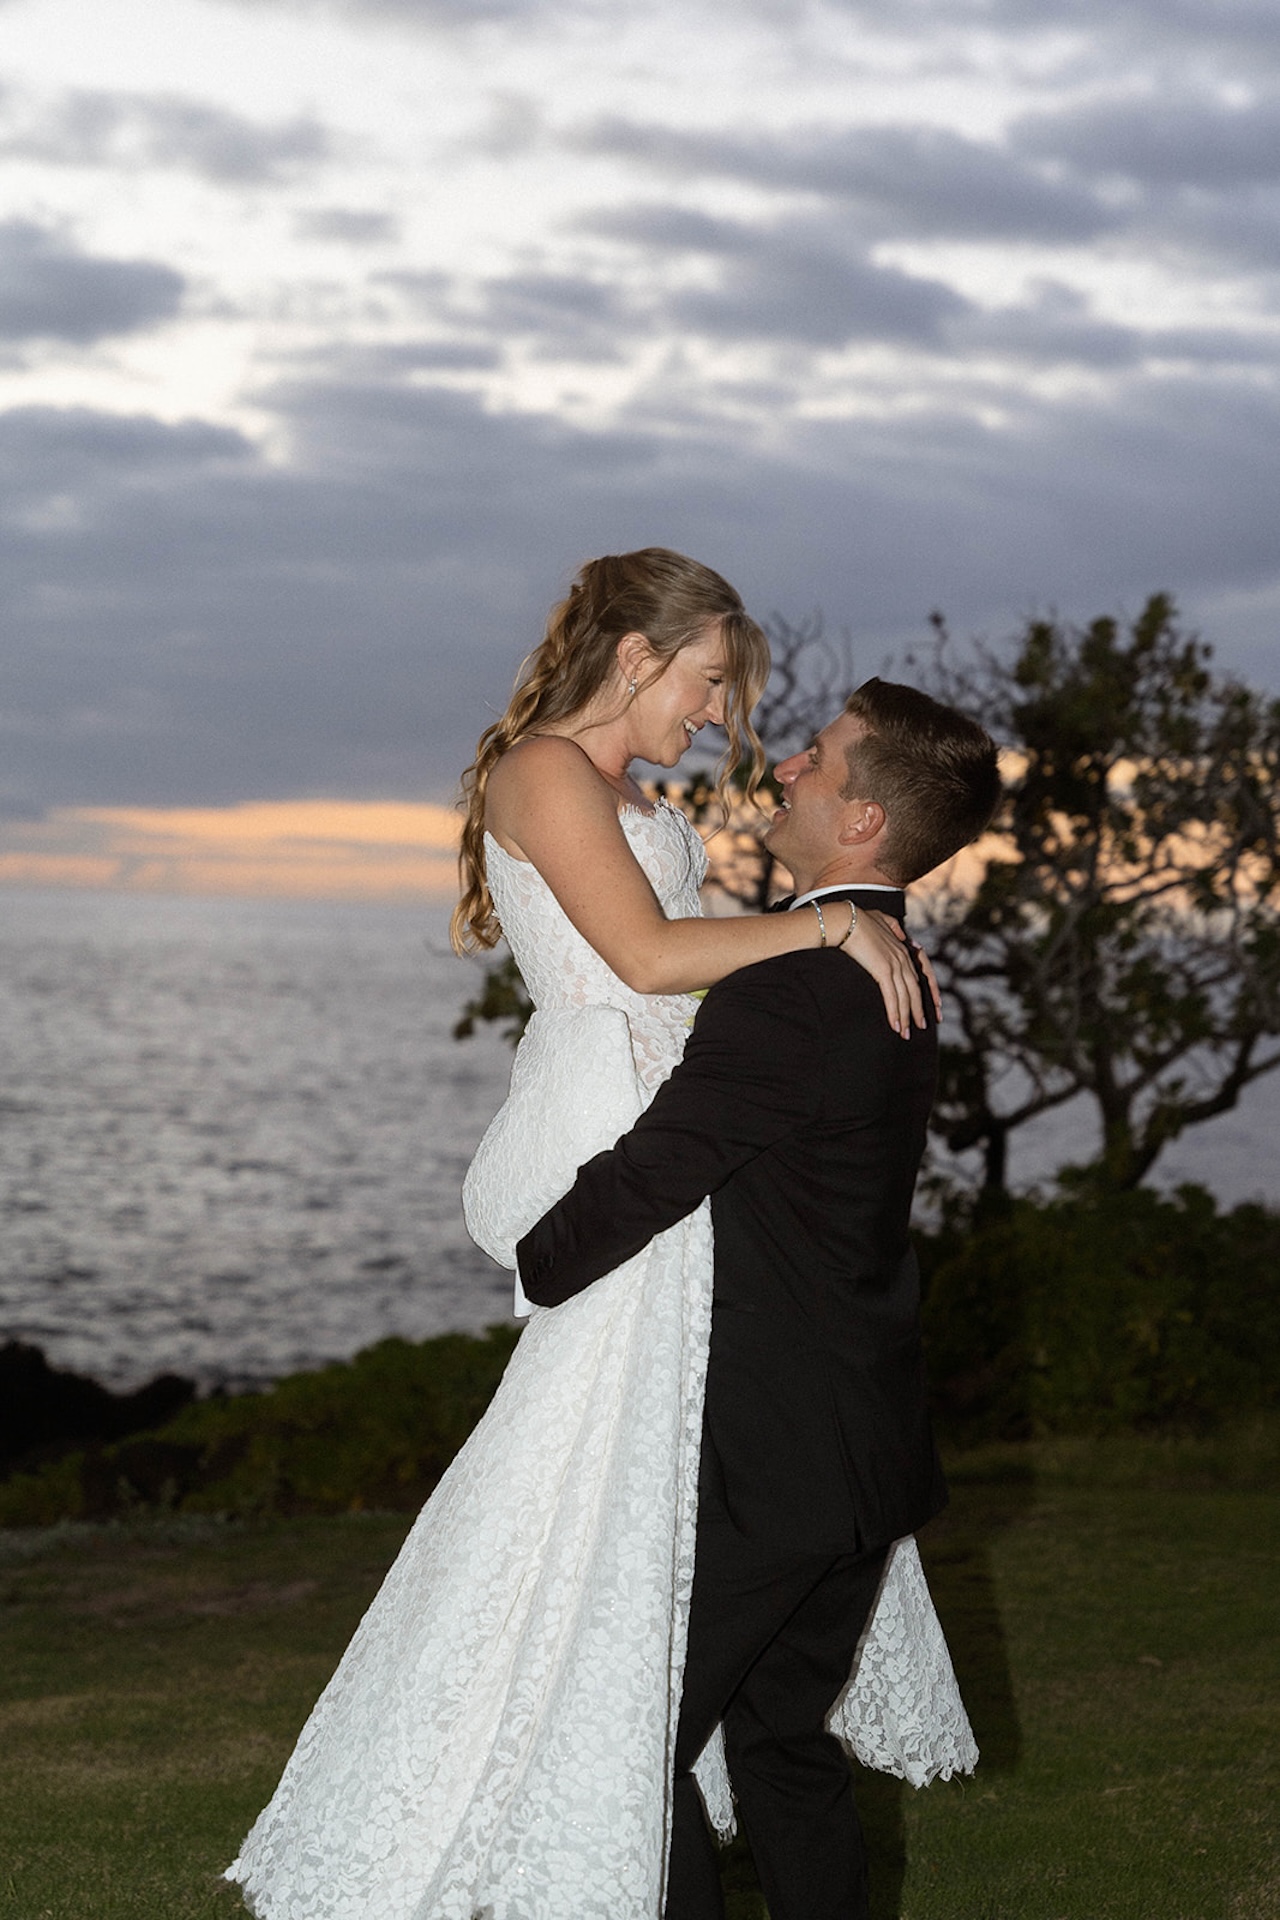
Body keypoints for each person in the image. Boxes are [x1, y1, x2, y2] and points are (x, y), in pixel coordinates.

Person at [224, 551, 968, 1920]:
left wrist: (828, 926)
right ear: (634, 656)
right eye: (706, 684)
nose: (721, 719)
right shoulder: (544, 771)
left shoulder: (639, 799)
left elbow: (682, 977)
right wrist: (825, 932)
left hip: (680, 1156)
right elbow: (638, 958)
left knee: (648, 1642)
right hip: (617, 1137)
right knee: (622, 1585)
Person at [517, 679, 1002, 1920]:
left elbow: (657, 1173)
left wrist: (531, 1260)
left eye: (817, 759)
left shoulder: (797, 987)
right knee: (778, 1742)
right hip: (861, 1444)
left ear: (857, 827)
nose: (782, 765)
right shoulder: (883, 965)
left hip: (777, 1456)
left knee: (637, 1742)